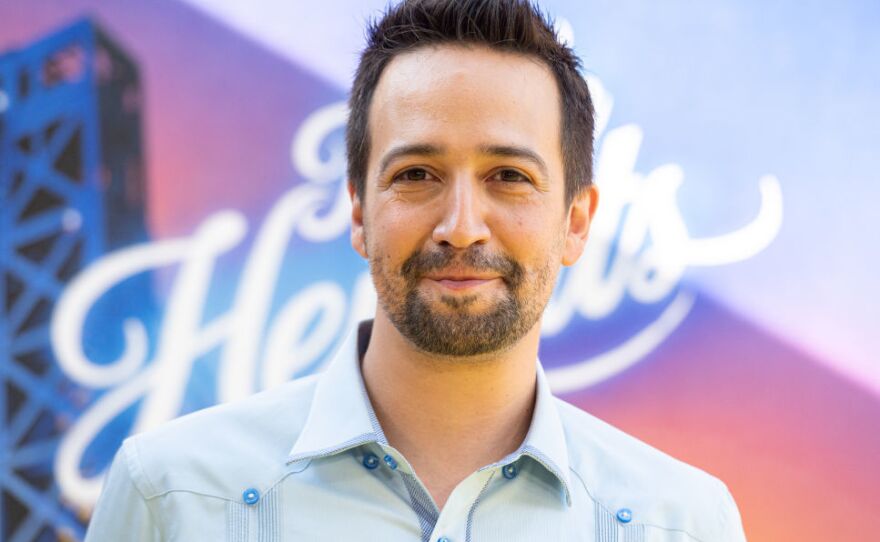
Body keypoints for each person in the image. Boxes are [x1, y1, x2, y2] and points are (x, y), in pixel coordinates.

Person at [85, 0, 747, 540]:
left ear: (576, 222)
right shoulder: (169, 492)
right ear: (358, 209)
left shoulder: (683, 522)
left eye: (509, 177)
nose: (461, 224)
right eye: (417, 174)